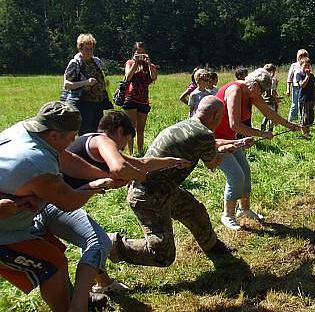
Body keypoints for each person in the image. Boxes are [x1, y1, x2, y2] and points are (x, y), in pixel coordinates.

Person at [0, 101, 123, 312]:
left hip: (15, 218)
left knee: (54, 253)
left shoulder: (25, 130)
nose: (74, 140)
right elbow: (69, 202)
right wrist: (94, 186)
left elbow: (68, 160)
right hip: (6, 233)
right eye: (71, 136)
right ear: (55, 135)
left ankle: (75, 301)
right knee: (53, 264)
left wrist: (105, 174)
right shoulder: (37, 162)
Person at [108, 96, 246, 267]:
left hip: (162, 187)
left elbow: (206, 144)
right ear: (215, 116)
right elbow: (212, 164)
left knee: (196, 213)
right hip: (149, 195)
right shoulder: (205, 134)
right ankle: (111, 244)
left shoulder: (186, 125)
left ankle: (215, 249)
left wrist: (231, 145)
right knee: (162, 254)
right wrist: (227, 152)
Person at [63, 110, 191, 293]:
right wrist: (142, 179)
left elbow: (142, 162)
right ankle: (83, 295)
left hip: (62, 199)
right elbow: (121, 168)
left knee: (93, 239)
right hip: (54, 202)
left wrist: (171, 161)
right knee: (96, 240)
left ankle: (103, 283)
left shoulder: (90, 141)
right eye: (126, 141)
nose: (123, 147)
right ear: (120, 131)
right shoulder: (102, 141)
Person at [215, 68, 301, 230]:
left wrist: (290, 125)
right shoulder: (235, 91)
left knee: (245, 171)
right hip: (215, 141)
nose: (262, 94)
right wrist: (261, 133)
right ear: (254, 85)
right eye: (262, 90)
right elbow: (236, 125)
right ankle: (227, 216)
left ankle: (244, 209)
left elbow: (268, 113)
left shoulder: (250, 92)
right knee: (236, 175)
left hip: (231, 139)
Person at [63, 33, 109, 135]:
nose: (89, 52)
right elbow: (67, 84)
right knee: (85, 133)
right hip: (83, 104)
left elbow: (104, 75)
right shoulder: (75, 63)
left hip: (98, 103)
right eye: (86, 49)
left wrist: (105, 81)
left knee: (98, 132)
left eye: (91, 49)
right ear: (80, 48)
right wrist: (85, 83)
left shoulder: (96, 61)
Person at [122, 41, 158, 155]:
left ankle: (141, 152)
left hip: (143, 101)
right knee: (130, 129)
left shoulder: (150, 66)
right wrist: (135, 63)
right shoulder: (130, 63)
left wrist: (148, 63)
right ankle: (131, 153)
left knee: (141, 130)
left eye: (142, 53)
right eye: (138, 53)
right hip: (131, 99)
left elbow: (154, 78)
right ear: (134, 53)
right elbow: (128, 77)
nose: (140, 55)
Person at [296, 57, 315, 137]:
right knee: (304, 117)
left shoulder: (312, 75)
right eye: (305, 66)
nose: (307, 68)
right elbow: (302, 85)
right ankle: (304, 134)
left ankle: (308, 132)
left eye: (308, 66)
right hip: (304, 100)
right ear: (301, 66)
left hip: (311, 99)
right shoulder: (299, 75)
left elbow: (314, 87)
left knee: (311, 117)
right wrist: (307, 76)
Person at [286, 49, 309, 122]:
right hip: (296, 87)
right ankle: (290, 121)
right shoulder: (294, 65)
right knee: (294, 105)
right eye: (301, 55)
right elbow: (289, 78)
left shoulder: (308, 65)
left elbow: (310, 75)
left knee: (302, 104)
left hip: (305, 87)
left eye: (304, 55)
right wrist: (288, 89)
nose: (302, 57)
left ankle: (302, 121)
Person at [261, 64, 279, 132]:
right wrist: (276, 98)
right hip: (271, 100)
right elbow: (272, 92)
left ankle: (263, 124)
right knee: (272, 116)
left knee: (267, 113)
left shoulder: (263, 80)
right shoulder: (273, 80)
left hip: (264, 100)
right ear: (273, 71)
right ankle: (270, 130)